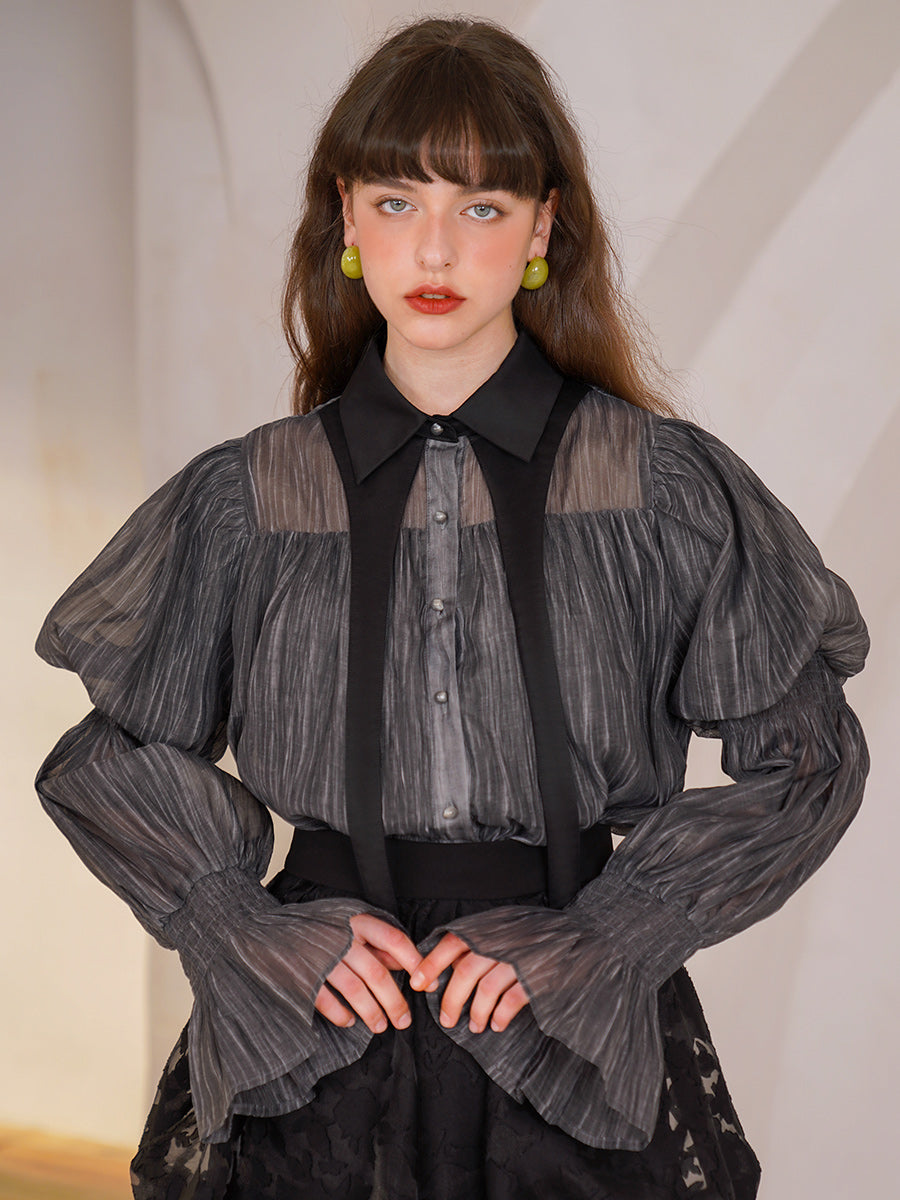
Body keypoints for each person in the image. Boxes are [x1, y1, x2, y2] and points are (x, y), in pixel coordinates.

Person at [35, 16, 868, 1200]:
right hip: (315, 1046)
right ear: (345, 217)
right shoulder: (248, 498)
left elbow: (809, 758)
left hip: (568, 1034)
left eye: (481, 206)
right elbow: (103, 757)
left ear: (543, 226)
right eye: (396, 200)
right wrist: (236, 925)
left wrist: (618, 932)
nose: (434, 246)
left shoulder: (660, 487)